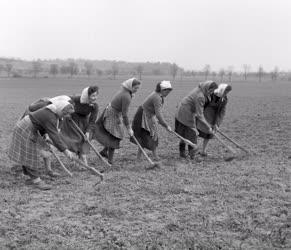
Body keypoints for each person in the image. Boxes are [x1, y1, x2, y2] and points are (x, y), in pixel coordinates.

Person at [8, 100, 75, 190]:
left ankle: (30, 177)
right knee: (30, 154)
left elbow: (43, 125)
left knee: (28, 153)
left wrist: (45, 135)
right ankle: (36, 181)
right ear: (60, 109)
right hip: (25, 129)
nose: (66, 116)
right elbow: (55, 136)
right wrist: (65, 150)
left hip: (28, 127)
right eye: (65, 113)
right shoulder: (50, 116)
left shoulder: (53, 113)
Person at [91, 78, 141, 165]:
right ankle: (110, 161)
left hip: (114, 112)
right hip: (112, 114)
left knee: (116, 134)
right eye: (135, 88)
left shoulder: (126, 92)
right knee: (115, 136)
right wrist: (129, 128)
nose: (136, 90)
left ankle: (104, 151)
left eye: (138, 88)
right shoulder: (126, 96)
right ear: (130, 86)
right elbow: (125, 114)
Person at [175, 80, 218, 159]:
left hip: (182, 109)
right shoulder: (200, 96)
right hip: (185, 112)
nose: (211, 93)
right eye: (210, 91)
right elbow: (200, 115)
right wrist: (208, 126)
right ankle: (192, 155)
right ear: (207, 88)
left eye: (213, 91)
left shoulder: (201, 88)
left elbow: (200, 111)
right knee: (192, 133)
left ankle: (182, 153)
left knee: (185, 133)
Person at [130, 81, 172, 160]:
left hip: (147, 115)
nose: (168, 93)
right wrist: (166, 125)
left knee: (147, 135)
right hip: (143, 116)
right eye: (167, 91)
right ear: (163, 90)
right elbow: (159, 114)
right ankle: (154, 156)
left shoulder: (159, 96)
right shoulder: (157, 97)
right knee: (150, 135)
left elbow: (155, 112)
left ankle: (140, 157)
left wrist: (156, 119)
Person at [60, 86, 99, 165]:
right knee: (75, 140)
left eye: (96, 95)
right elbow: (64, 101)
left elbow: (92, 121)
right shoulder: (76, 99)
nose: (95, 98)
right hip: (71, 120)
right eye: (93, 96)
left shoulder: (95, 106)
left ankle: (82, 158)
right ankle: (78, 159)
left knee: (84, 140)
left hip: (84, 122)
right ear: (87, 96)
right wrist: (67, 113)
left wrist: (88, 132)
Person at [197, 83, 232, 156]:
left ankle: (203, 151)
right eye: (225, 92)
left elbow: (222, 112)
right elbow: (201, 104)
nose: (226, 93)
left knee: (209, 134)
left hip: (213, 117)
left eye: (227, 92)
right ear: (221, 90)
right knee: (197, 131)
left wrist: (217, 123)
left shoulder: (224, 99)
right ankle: (192, 148)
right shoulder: (211, 94)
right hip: (204, 114)